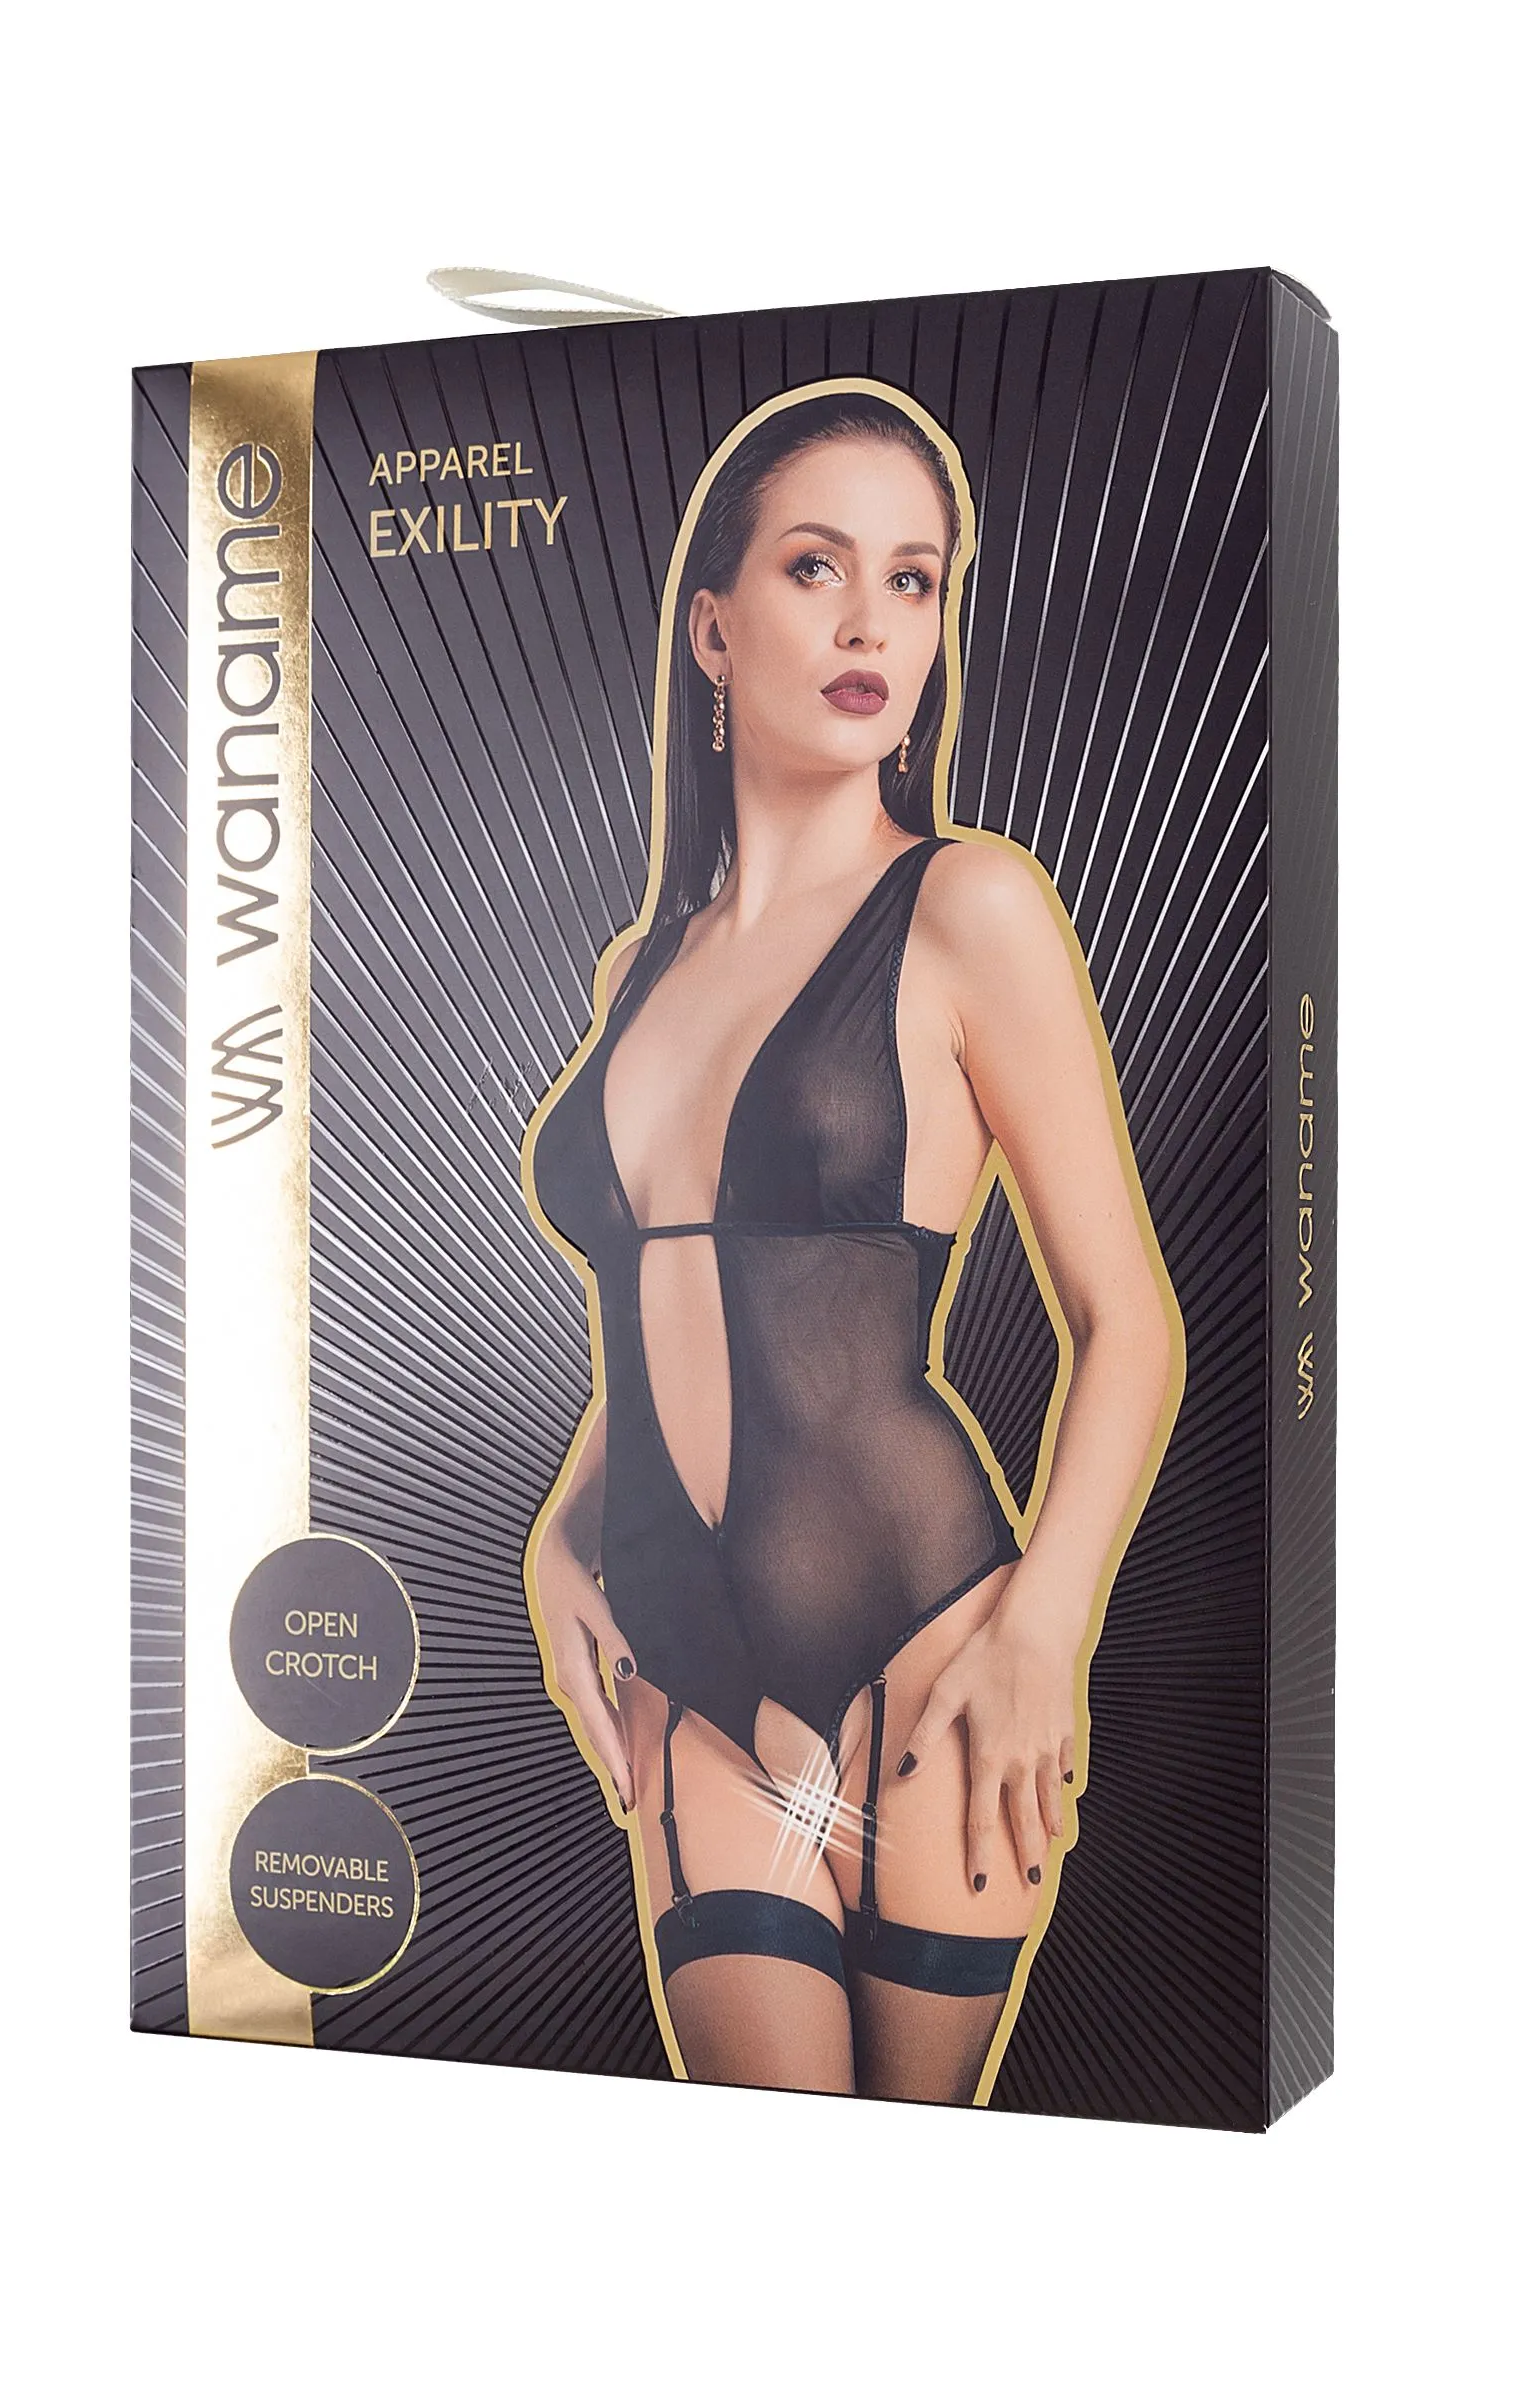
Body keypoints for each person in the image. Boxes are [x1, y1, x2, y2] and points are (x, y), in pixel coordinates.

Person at [522, 384, 1180, 2106]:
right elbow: (666, 1302)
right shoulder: (639, 970)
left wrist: (1045, 1633)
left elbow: (1125, 1319)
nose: (873, 621)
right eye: (818, 567)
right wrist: (559, 1533)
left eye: (915, 578)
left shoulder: (971, 907)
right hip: (687, 1654)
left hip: (932, 1649)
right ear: (713, 628)